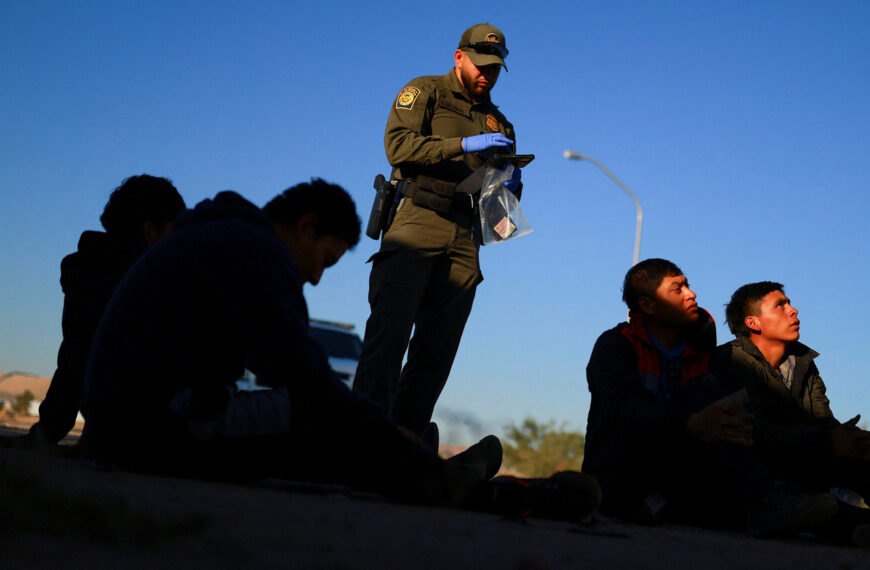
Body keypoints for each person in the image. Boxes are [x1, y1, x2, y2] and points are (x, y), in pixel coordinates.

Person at [80, 179, 598, 518]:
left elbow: (277, 363)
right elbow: (303, 377)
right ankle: (484, 492)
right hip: (153, 428)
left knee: (325, 431)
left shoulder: (228, 239)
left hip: (136, 423)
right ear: (306, 226)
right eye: (324, 260)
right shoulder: (252, 249)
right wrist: (383, 428)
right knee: (326, 422)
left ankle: (440, 475)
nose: (315, 277)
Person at [583, 259, 837, 537]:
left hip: (681, 476)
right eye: (677, 288)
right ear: (648, 305)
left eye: (688, 285)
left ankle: (820, 515)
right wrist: (688, 424)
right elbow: (624, 410)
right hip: (624, 471)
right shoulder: (616, 345)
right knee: (706, 388)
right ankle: (764, 504)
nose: (691, 294)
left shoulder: (705, 354)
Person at [353, 23, 521, 438]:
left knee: (438, 351)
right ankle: (360, 441)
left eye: (496, 68)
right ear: (458, 57)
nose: (488, 74)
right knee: (389, 335)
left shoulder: (500, 123)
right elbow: (399, 147)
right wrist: (460, 147)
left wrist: (512, 188)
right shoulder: (425, 91)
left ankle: (404, 443)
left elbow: (501, 193)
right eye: (480, 64)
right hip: (417, 219)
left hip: (466, 233)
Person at [17, 174, 185, 449]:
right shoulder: (151, 277)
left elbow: (73, 356)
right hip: (150, 435)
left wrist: (47, 431)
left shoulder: (88, 273)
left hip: (106, 432)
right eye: (174, 229)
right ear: (151, 231)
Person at [715, 282, 870, 544]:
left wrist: (850, 439)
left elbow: (823, 420)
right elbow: (756, 433)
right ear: (753, 323)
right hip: (763, 470)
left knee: (856, 449)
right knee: (832, 508)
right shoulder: (730, 361)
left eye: (789, 303)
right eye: (780, 305)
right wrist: (828, 441)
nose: (794, 310)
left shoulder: (802, 363)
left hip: (802, 457)